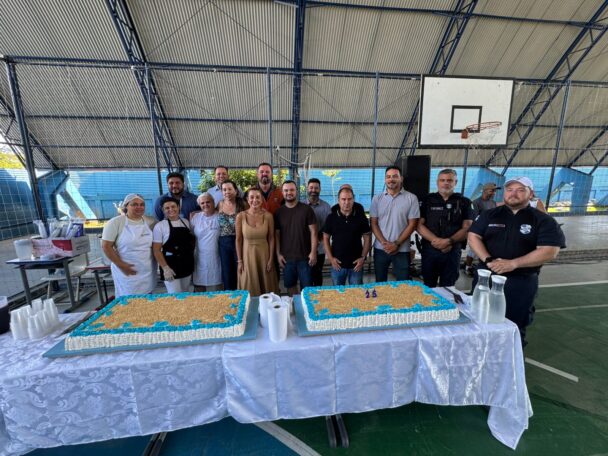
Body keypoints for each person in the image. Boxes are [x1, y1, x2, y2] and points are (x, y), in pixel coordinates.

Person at [468, 177, 565, 347]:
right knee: (478, 321)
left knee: (514, 327)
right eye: (510, 189)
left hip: (520, 283)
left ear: (531, 194)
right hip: (485, 279)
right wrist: (488, 259)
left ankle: (511, 361)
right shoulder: (489, 215)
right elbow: (473, 236)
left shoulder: (543, 220)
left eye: (520, 190)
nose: (513, 194)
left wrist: (513, 264)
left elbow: (550, 250)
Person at [417, 169, 473, 288]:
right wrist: (437, 241)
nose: (446, 183)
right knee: (428, 285)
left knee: (449, 286)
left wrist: (449, 241)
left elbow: (467, 227)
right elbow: (418, 225)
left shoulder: (465, 202)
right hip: (430, 250)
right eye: (442, 180)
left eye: (449, 180)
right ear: (437, 182)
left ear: (455, 182)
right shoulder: (426, 200)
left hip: (452, 250)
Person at [370, 166, 419, 282]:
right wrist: (384, 243)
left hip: (402, 249)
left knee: (403, 284)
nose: (391, 179)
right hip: (380, 249)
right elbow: (374, 223)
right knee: (380, 283)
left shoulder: (411, 198)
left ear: (401, 178)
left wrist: (396, 244)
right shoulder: (377, 199)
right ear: (385, 179)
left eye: (395, 176)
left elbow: (412, 224)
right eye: (388, 177)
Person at [101, 194, 157, 297]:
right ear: (126, 206)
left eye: (142, 204)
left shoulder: (150, 221)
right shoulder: (115, 222)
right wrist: (121, 265)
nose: (139, 207)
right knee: (129, 299)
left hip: (147, 269)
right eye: (134, 204)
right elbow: (106, 246)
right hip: (126, 270)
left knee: (148, 299)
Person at [275, 180, 318, 295]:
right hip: (287, 259)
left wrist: (313, 252)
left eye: (292, 190)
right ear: (282, 192)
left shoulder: (306, 209)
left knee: (307, 289)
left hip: (305, 258)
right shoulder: (278, 212)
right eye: (286, 190)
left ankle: (304, 306)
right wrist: (278, 254)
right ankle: (294, 305)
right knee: (290, 286)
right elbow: (276, 235)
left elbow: (314, 232)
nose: (289, 192)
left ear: (296, 191)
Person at [322, 186, 371, 285]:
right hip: (337, 266)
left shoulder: (361, 217)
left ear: (353, 200)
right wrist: (331, 258)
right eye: (343, 199)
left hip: (356, 266)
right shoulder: (331, 218)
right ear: (338, 200)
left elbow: (367, 238)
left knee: (356, 293)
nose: (346, 202)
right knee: (338, 293)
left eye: (349, 199)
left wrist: (363, 258)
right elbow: (325, 238)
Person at [236, 188, 280, 296]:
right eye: (251, 197)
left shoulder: (268, 216)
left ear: (262, 199)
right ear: (247, 199)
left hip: (264, 255)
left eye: (257, 197)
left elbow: (271, 238)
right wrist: (240, 261)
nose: (254, 200)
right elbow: (238, 240)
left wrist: (271, 259)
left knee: (268, 286)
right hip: (247, 256)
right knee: (249, 284)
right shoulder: (241, 216)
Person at [152, 196, 196, 293]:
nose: (170, 209)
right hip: (170, 266)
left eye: (173, 206)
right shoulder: (160, 226)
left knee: (186, 292)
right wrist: (165, 268)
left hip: (187, 263)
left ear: (178, 207)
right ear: (163, 210)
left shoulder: (186, 222)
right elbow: (156, 250)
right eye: (167, 208)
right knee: (174, 295)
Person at [217, 180, 248, 290]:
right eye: (224, 189)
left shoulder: (243, 204)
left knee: (241, 269)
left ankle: (243, 294)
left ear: (235, 191)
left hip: (240, 241)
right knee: (227, 272)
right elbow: (208, 212)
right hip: (224, 243)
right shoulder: (219, 204)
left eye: (230, 189)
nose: (227, 192)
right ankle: (230, 296)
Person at [464, 183, 500, 276]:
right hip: (479, 231)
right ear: (485, 190)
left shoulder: (493, 202)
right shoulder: (476, 202)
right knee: (473, 250)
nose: (494, 193)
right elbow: (474, 218)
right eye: (492, 191)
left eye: (495, 191)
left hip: (490, 231)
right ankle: (467, 267)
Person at [190, 193, 223, 292]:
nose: (205, 205)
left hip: (217, 257)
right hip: (199, 257)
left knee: (217, 288)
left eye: (208, 202)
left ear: (213, 202)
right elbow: (191, 235)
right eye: (202, 203)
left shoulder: (220, 216)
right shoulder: (195, 217)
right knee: (199, 288)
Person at [304, 178, 332, 286]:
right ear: (307, 188)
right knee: (305, 276)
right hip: (304, 248)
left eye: (316, 188)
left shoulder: (326, 207)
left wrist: (318, 239)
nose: (313, 190)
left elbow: (328, 227)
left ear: (320, 189)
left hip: (320, 249)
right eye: (311, 187)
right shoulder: (301, 205)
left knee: (317, 275)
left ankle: (318, 294)